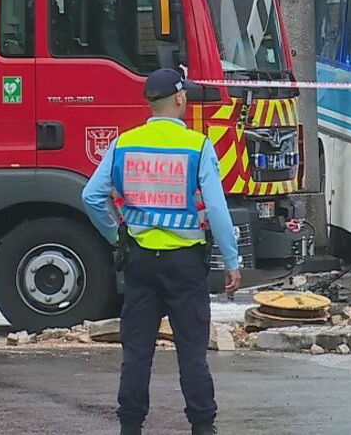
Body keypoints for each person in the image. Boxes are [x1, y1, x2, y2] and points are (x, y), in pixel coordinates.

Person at [81, 68, 241, 435]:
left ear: (150, 103)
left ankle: (130, 426)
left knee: (137, 352)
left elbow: (90, 196)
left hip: (139, 263)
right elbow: (216, 209)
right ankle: (203, 427)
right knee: (192, 354)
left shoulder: (125, 144)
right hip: (185, 265)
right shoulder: (197, 146)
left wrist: (115, 237)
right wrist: (231, 262)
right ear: (181, 98)